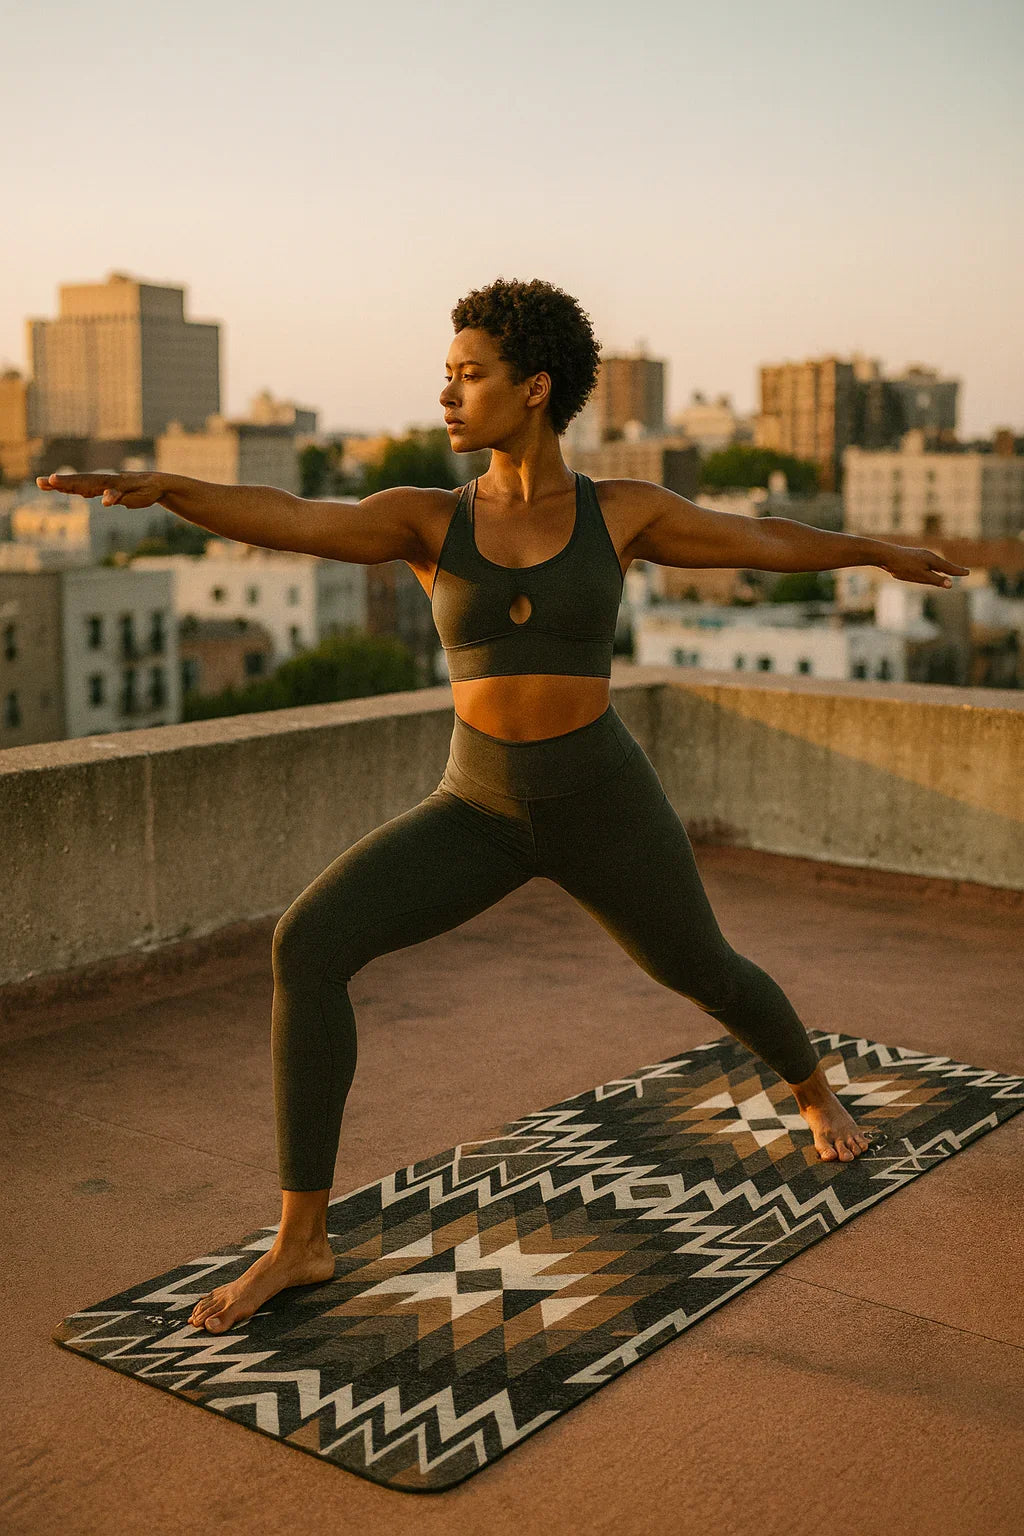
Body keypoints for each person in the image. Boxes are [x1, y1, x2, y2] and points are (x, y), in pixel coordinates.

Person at [37, 277, 969, 1334]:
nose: (447, 394)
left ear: (533, 388)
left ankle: (809, 1087)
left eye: (469, 376)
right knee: (308, 945)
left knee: (698, 967)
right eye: (446, 375)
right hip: (477, 806)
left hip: (600, 796)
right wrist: (170, 489)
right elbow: (296, 518)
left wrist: (875, 551)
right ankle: (301, 1239)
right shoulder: (428, 519)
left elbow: (756, 537)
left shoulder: (621, 511)